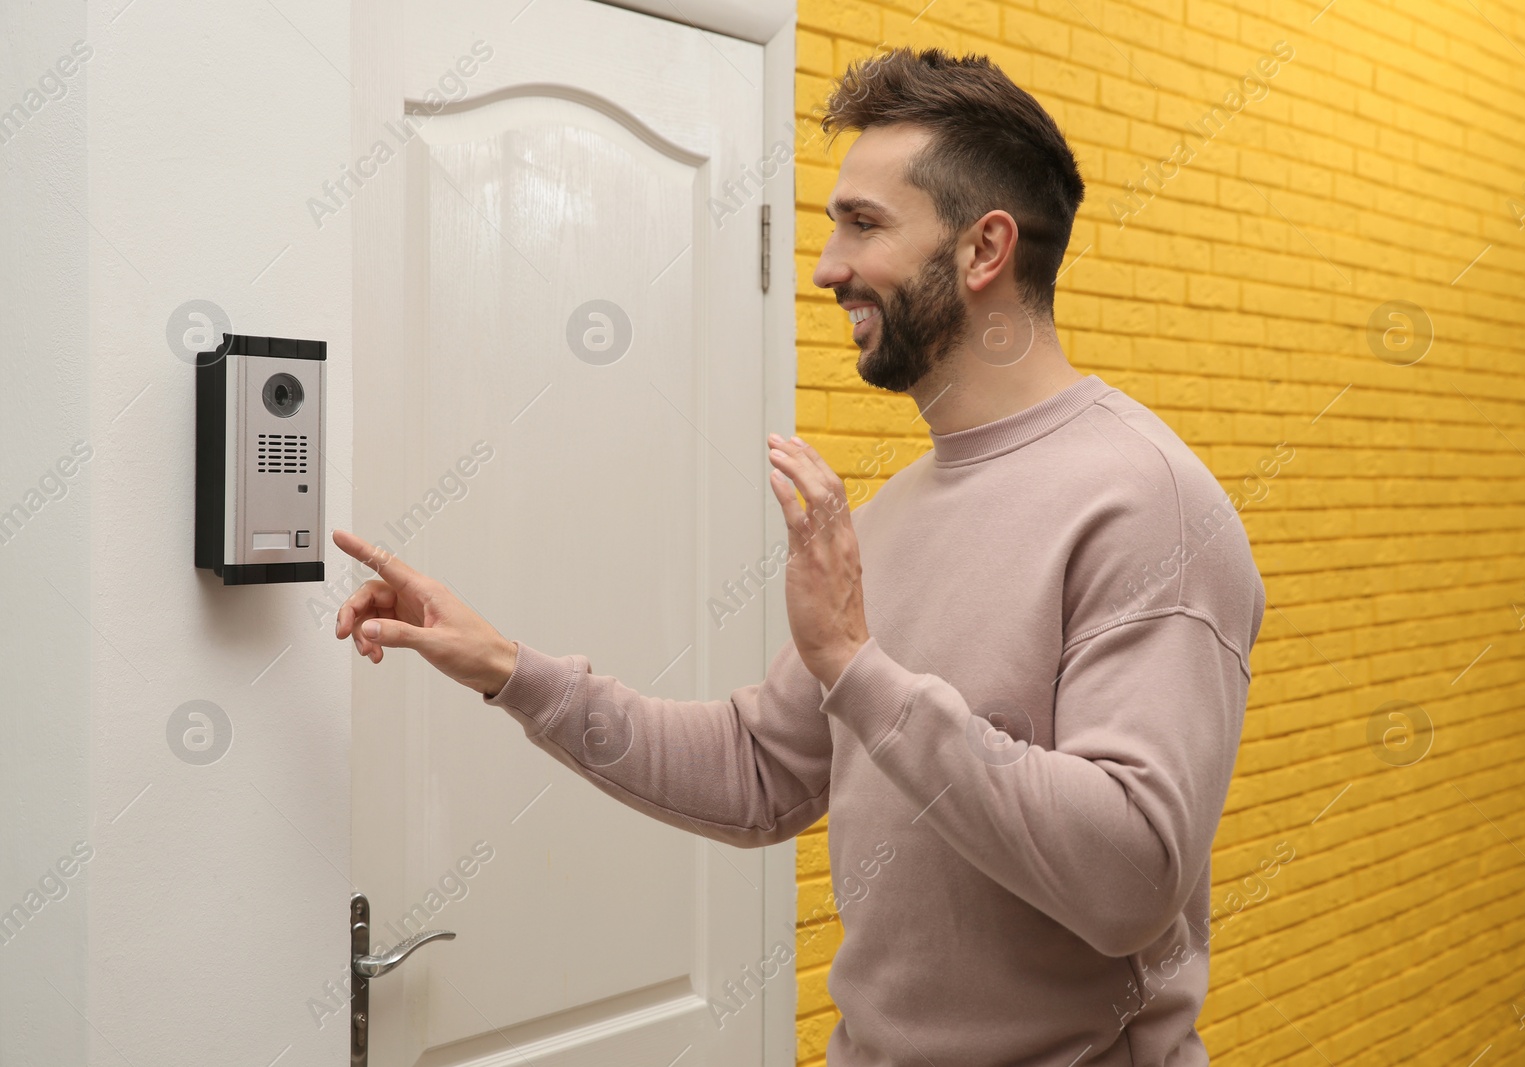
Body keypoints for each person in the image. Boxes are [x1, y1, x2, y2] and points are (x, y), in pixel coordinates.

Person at [333, 46, 1266, 1067]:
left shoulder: (1149, 505)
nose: (825, 268)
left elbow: (1131, 877)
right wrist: (509, 668)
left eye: (863, 224)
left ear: (983, 248)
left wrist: (859, 667)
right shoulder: (902, 509)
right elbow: (759, 771)